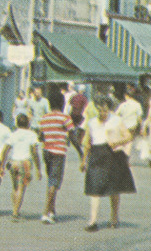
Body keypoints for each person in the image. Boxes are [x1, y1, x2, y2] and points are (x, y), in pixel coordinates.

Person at [81, 95, 135, 231]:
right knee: (94, 189)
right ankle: (92, 221)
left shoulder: (116, 120)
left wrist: (117, 142)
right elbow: (87, 143)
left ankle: (114, 217)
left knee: (114, 189)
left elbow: (128, 136)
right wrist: (83, 160)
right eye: (99, 110)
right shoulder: (92, 122)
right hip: (96, 154)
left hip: (113, 155)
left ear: (109, 110)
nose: (102, 113)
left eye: (105, 110)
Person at [37, 90, 75, 224]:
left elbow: (40, 136)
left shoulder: (44, 118)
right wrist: (81, 153)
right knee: (54, 182)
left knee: (51, 180)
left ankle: (52, 210)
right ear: (62, 103)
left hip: (46, 151)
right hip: (59, 152)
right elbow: (72, 135)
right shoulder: (65, 118)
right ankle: (45, 212)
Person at [3, 114, 42, 221]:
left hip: (13, 162)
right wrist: (38, 168)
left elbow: (5, 149)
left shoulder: (13, 134)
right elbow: (35, 152)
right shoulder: (32, 135)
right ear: (28, 123)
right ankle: (15, 213)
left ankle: (15, 209)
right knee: (21, 188)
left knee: (14, 187)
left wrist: (2, 165)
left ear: (16, 123)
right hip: (25, 163)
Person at [115, 88, 143, 166]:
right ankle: (126, 159)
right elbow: (139, 117)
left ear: (126, 95)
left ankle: (121, 158)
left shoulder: (122, 105)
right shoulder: (137, 105)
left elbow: (116, 114)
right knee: (129, 143)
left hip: (123, 125)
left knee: (122, 142)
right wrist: (141, 127)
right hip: (132, 126)